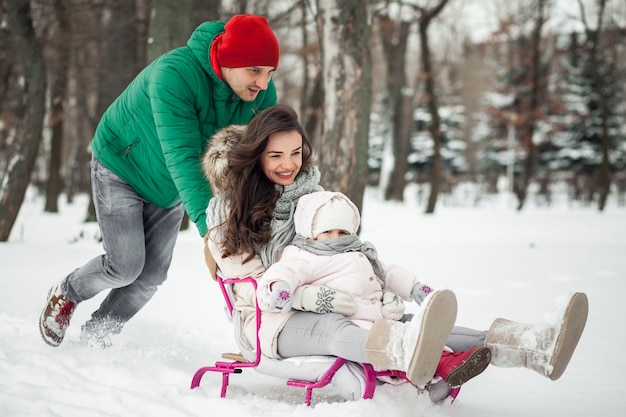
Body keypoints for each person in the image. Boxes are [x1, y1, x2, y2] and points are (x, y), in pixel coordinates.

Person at [202, 104, 589, 402]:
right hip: (270, 322)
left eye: (296, 152)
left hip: (346, 305)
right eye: (275, 156)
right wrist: (307, 296)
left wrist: (374, 285)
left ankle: (531, 345)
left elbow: (345, 251)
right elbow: (248, 288)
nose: (289, 165)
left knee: (407, 323)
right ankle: (404, 350)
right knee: (345, 332)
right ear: (255, 157)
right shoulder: (226, 213)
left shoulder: (316, 199)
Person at [39, 14, 281, 348]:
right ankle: (67, 293)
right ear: (228, 60)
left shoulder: (261, 96)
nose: (264, 84)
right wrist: (212, 232)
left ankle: (98, 334)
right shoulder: (174, 74)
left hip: (168, 189)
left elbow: (263, 160)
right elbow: (184, 156)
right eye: (254, 70)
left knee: (150, 277)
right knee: (125, 266)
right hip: (122, 167)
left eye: (270, 72)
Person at [257, 190, 491, 389]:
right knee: (385, 339)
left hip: (377, 319)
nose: (335, 238)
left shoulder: (360, 252)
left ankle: (472, 349)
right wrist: (281, 288)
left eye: (342, 232)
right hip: (348, 322)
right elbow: (284, 272)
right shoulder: (304, 255)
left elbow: (387, 272)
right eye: (327, 232)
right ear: (310, 232)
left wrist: (414, 287)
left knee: (413, 326)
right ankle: (445, 362)